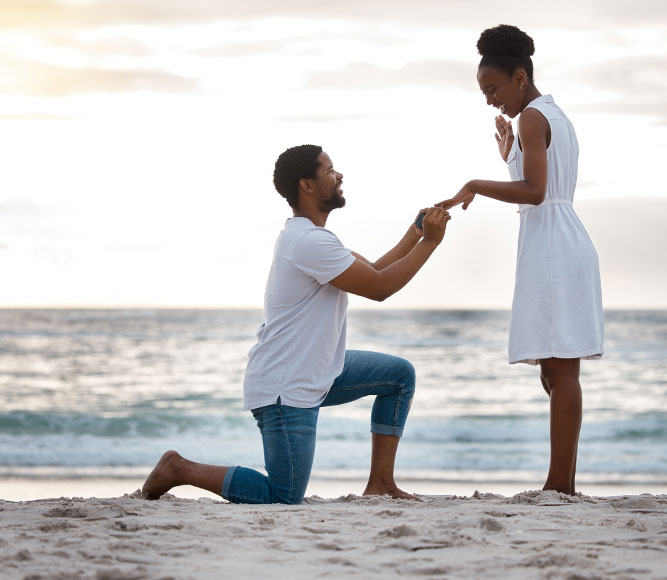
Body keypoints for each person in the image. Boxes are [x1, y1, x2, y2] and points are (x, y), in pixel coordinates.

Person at [142, 144, 450, 504]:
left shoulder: (312, 239)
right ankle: (179, 468)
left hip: (317, 371)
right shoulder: (308, 242)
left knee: (399, 377)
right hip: (285, 385)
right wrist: (431, 242)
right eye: (330, 171)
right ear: (307, 185)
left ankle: (381, 482)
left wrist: (415, 234)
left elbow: (377, 269)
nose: (339, 176)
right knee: (284, 494)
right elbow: (380, 288)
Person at [436, 25, 603, 495]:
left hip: (553, 247)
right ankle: (563, 481)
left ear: (520, 76)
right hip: (558, 241)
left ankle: (559, 485)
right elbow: (538, 181)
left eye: (493, 89)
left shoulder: (533, 117)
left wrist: (475, 184)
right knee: (554, 368)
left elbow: (535, 191)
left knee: (562, 367)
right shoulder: (552, 116)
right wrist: (510, 155)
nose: (490, 100)